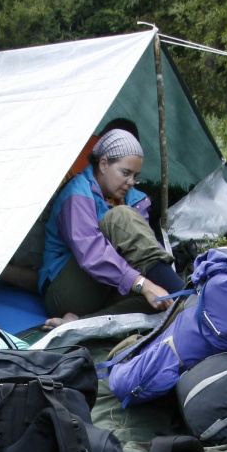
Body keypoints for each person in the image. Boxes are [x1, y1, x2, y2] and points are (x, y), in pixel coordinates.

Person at [38, 127, 185, 322]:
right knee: (120, 217)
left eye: (135, 176)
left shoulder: (133, 199)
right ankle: (187, 300)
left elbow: (144, 249)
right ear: (104, 163)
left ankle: (79, 325)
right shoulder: (77, 194)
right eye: (125, 173)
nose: (131, 182)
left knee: (161, 301)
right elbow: (92, 253)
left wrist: (153, 284)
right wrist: (143, 284)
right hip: (65, 291)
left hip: (109, 287)